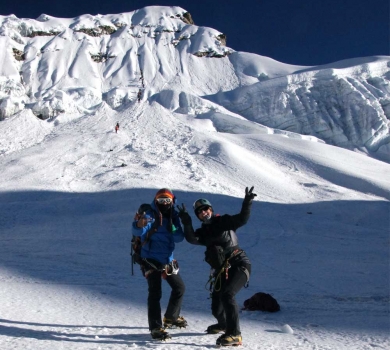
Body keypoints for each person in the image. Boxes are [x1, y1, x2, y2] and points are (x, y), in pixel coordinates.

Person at [177, 187, 256, 347]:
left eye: (205, 209)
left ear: (211, 210)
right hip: (221, 270)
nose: (203, 212)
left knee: (227, 294)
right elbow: (192, 239)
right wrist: (186, 221)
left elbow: (242, 219)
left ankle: (235, 334)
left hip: (240, 264)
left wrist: (247, 202)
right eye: (199, 211)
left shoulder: (223, 221)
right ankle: (224, 324)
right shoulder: (204, 232)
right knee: (216, 307)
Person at [132, 188, 187, 341]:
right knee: (155, 293)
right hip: (150, 260)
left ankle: (171, 317)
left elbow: (179, 238)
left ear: (172, 201)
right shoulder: (150, 214)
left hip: (167, 260)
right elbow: (138, 231)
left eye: (167, 200)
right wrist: (139, 225)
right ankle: (155, 327)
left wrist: (174, 228)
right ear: (156, 201)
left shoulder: (173, 216)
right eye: (161, 200)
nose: (164, 203)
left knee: (179, 287)